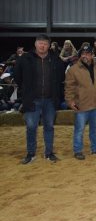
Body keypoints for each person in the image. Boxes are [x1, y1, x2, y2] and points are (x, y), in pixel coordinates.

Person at [14, 34, 65, 164]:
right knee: (31, 127)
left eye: (45, 43)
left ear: (49, 45)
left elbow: (60, 78)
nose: (43, 46)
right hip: (32, 100)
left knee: (49, 126)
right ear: (36, 44)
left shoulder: (55, 60)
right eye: (40, 43)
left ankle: (49, 153)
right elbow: (18, 77)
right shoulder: (25, 58)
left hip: (50, 100)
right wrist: (26, 92)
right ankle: (31, 154)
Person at [64, 45, 96, 160]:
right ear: (80, 55)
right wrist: (70, 102)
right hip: (81, 105)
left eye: (88, 53)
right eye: (83, 54)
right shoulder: (73, 70)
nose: (85, 56)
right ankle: (78, 150)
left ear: (92, 55)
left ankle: (95, 148)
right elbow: (69, 87)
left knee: (95, 129)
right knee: (79, 130)